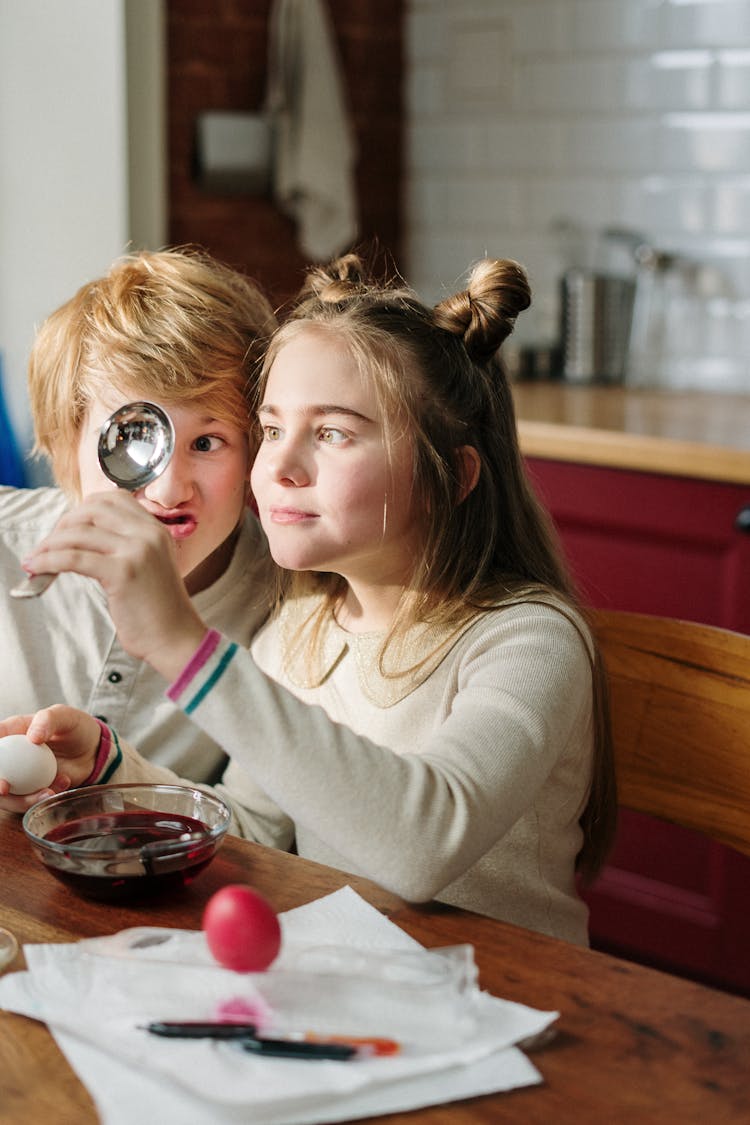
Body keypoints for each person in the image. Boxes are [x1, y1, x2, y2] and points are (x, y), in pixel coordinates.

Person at [5, 253, 617, 945]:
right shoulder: (302, 629)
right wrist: (110, 765)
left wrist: (186, 647)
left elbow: (422, 845)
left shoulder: (530, 640)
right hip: (350, 989)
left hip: (513, 1002)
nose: (280, 468)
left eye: (331, 433)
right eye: (269, 430)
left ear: (450, 475)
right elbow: (259, 828)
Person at [0, 246, 279, 818]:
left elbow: (262, 833)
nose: (170, 489)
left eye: (207, 443)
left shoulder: (292, 606)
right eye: (131, 439)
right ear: (67, 440)